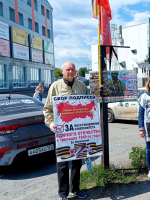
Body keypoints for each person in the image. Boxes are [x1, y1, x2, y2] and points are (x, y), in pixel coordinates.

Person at [43, 61, 88, 200]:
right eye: (67, 69)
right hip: (63, 133)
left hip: (78, 133)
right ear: (62, 71)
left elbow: (87, 105)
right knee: (62, 164)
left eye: (73, 69)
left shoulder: (81, 86)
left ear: (76, 72)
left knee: (77, 162)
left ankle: (76, 189)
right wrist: (50, 123)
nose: (70, 72)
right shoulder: (55, 87)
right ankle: (63, 193)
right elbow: (48, 109)